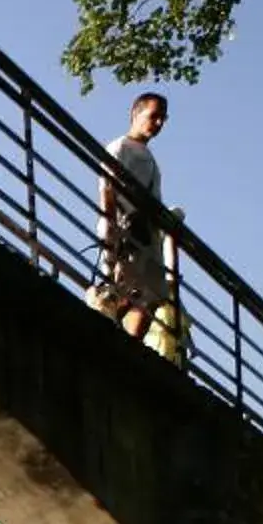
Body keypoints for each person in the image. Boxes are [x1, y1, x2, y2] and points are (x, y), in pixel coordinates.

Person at [97, 91, 177, 342]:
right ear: (136, 113)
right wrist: (111, 229)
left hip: (148, 235)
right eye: (154, 116)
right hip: (127, 231)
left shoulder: (150, 158)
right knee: (122, 291)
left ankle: (130, 345)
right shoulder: (119, 147)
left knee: (150, 296)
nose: (159, 123)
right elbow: (107, 189)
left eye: (163, 118)